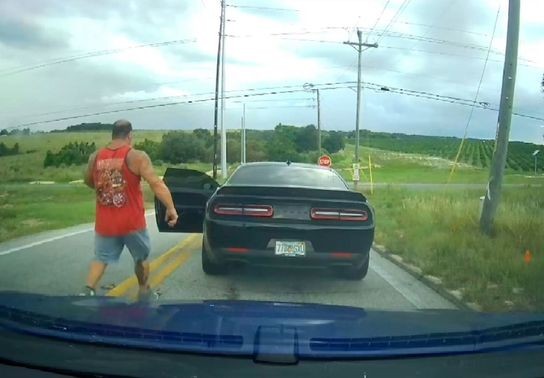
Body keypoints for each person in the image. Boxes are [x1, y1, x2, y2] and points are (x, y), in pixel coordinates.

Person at [81, 119, 178, 299]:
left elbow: (89, 181)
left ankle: (87, 291)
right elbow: (156, 184)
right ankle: (144, 291)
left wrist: (105, 188)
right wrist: (171, 208)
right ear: (130, 136)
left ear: (113, 135)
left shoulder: (95, 156)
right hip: (132, 222)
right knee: (140, 258)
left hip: (106, 223)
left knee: (101, 258)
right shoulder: (136, 156)